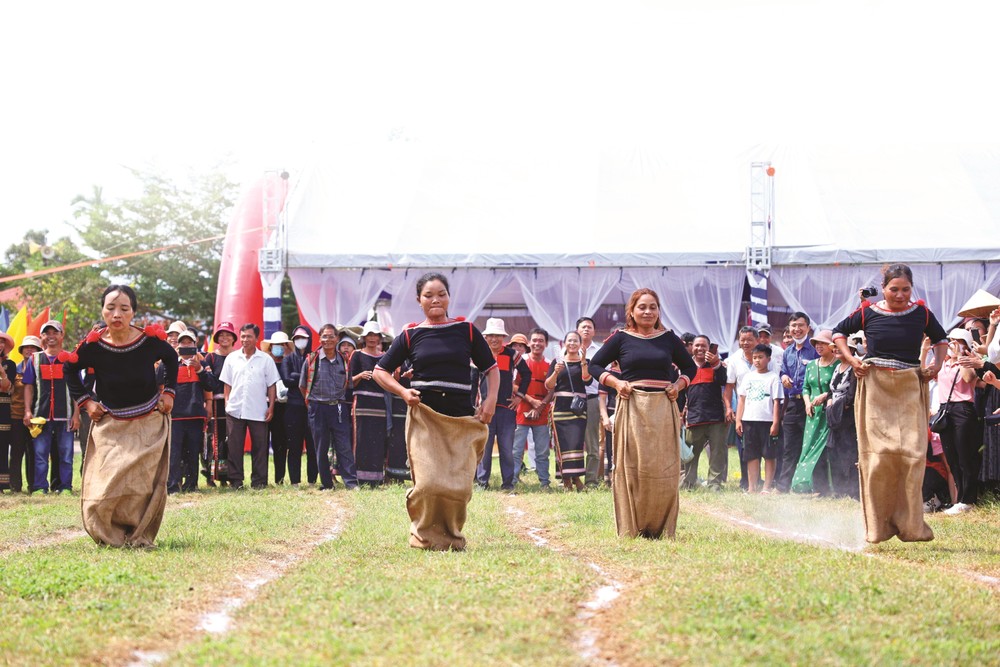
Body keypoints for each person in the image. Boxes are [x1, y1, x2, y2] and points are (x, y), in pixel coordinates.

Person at [374, 272, 498, 551]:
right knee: (429, 484)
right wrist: (404, 392)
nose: (436, 300)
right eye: (428, 295)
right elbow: (379, 371)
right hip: (425, 418)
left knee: (459, 488)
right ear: (419, 300)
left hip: (461, 419)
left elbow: (491, 368)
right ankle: (424, 537)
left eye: (441, 294)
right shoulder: (410, 334)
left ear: (449, 297)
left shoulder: (465, 330)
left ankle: (452, 537)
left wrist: (490, 401)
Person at [832, 263, 948, 543]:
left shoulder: (922, 313)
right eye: (894, 289)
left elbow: (941, 338)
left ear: (911, 289)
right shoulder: (867, 312)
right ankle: (878, 528)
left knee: (913, 454)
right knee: (878, 457)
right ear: (883, 289)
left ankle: (912, 527)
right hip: (876, 386)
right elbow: (837, 333)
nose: (900, 294)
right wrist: (851, 359)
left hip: (910, 385)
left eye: (905, 289)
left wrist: (938, 364)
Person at [64, 284, 178, 547]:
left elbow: (171, 359)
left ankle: (138, 534)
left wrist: (169, 392)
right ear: (103, 311)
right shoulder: (92, 346)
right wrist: (86, 402)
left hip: (149, 420)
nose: (117, 314)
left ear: (133, 313)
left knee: (143, 484)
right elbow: (69, 369)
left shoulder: (150, 341)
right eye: (110, 308)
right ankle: (108, 534)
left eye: (124, 308)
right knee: (106, 480)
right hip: (109, 422)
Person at [590, 288, 696, 539]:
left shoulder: (669, 338)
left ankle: (660, 526)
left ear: (659, 311)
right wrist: (616, 383)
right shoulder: (621, 338)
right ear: (632, 311)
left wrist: (678, 385)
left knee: (663, 466)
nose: (647, 311)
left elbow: (690, 367)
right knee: (632, 464)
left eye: (653, 307)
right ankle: (631, 525)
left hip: (663, 408)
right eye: (642, 307)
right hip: (632, 407)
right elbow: (594, 365)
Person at [219, 323, 280, 490]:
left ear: (256, 338)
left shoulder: (266, 359)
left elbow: (272, 385)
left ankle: (259, 482)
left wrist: (271, 406)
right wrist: (227, 403)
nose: (245, 339)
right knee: (234, 447)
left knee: (260, 448)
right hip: (235, 410)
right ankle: (236, 481)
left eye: (249, 336)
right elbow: (227, 384)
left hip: (259, 410)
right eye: (243, 336)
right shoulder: (231, 358)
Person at [22, 320, 79, 494]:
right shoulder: (34, 359)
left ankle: (65, 487)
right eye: (47, 333)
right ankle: (40, 487)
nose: (51, 336)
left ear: (62, 335)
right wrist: (27, 410)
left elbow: (77, 389)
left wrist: (77, 414)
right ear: (42, 337)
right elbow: (28, 386)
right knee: (40, 455)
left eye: (55, 332)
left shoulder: (70, 359)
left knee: (66, 455)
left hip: (66, 416)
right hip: (41, 416)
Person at [475, 318, 530, 490]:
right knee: (484, 448)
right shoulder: (479, 353)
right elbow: (471, 381)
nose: (494, 339)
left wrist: (519, 397)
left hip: (507, 409)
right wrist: (475, 405)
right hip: (484, 409)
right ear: (485, 337)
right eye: (491, 335)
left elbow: (527, 374)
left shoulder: (512, 354)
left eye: (498, 335)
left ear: (503, 337)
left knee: (507, 449)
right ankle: (482, 483)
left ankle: (508, 484)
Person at [300, 323, 358, 490]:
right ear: (320, 338)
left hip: (338, 407)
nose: (328, 340)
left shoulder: (344, 360)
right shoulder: (311, 360)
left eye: (331, 336)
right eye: (324, 336)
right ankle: (327, 484)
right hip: (317, 407)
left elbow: (349, 384)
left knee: (344, 445)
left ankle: (351, 483)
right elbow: (302, 386)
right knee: (321, 446)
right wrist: (312, 402)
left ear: (337, 339)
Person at [935, 328, 982, 515]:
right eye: (951, 341)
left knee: (965, 455)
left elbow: (968, 378)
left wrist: (961, 356)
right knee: (952, 457)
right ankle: (960, 498)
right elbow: (926, 373)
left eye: (957, 341)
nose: (952, 344)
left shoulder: (968, 361)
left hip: (963, 408)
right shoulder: (944, 363)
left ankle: (968, 499)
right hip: (945, 409)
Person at [162, 329, 214, 493]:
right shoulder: (169, 363)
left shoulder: (203, 363)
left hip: (195, 414)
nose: (185, 346)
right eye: (182, 343)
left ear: (195, 344)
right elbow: (159, 384)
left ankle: (192, 485)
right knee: (174, 453)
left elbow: (211, 385)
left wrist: (199, 370)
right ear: (178, 345)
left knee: (193, 452)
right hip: (175, 415)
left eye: (189, 343)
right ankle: (173, 486)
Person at [791, 330, 838, 494]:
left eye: (822, 343)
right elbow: (805, 388)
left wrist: (824, 396)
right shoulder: (811, 365)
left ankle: (828, 487)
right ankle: (808, 484)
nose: (818, 346)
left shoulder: (838, 364)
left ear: (831, 346)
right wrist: (806, 404)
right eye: (816, 343)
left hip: (829, 413)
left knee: (824, 451)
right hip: (812, 414)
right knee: (809, 447)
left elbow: (837, 388)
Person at [776, 312, 818, 492]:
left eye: (801, 325)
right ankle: (783, 486)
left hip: (813, 404)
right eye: (793, 326)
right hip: (793, 403)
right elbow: (783, 371)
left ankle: (819, 487)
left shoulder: (815, 348)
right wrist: (784, 376)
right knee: (789, 447)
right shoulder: (788, 352)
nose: (797, 329)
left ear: (808, 328)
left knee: (813, 444)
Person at [545, 331, 592, 492]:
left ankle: (577, 477)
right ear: (564, 343)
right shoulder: (557, 362)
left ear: (580, 344)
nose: (572, 343)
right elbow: (549, 386)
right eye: (569, 340)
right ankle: (567, 480)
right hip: (560, 408)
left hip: (578, 408)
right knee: (562, 443)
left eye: (575, 341)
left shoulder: (585, 362)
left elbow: (587, 380)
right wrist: (556, 371)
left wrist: (584, 361)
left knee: (577, 443)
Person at [681, 335, 728, 490]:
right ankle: (689, 482)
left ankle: (714, 484)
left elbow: (723, 381)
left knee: (717, 453)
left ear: (709, 348)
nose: (700, 348)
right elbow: (681, 393)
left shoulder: (717, 366)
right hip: (694, 417)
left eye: (704, 346)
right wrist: (680, 413)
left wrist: (716, 363)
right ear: (691, 347)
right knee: (690, 453)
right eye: (697, 345)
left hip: (716, 417)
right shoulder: (686, 367)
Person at [735, 343, 783, 493]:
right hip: (749, 421)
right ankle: (752, 487)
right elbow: (741, 399)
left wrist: (775, 422)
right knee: (751, 455)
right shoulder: (748, 377)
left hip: (767, 421)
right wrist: (738, 420)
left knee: (769, 455)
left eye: (760, 357)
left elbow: (776, 402)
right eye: (754, 357)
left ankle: (767, 487)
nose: (757, 360)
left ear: (768, 359)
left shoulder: (774, 378)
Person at [350, 321, 391, 486]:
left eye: (375, 335)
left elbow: (389, 380)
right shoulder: (357, 355)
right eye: (369, 335)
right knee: (360, 439)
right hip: (361, 403)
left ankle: (376, 477)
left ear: (380, 338)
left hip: (379, 403)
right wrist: (361, 375)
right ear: (364, 338)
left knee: (378, 439)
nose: (372, 338)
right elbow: (348, 382)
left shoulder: (384, 357)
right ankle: (358, 477)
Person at [724, 325, 763, 490]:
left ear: (757, 340)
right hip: (742, 409)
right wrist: (728, 408)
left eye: (749, 340)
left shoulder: (765, 357)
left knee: (761, 445)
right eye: (742, 340)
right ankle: (745, 481)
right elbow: (729, 388)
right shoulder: (733, 360)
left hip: (762, 409)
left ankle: (759, 480)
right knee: (743, 446)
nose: (745, 343)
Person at [514, 328, 554, 488]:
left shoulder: (550, 364)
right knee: (516, 450)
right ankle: (512, 480)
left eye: (541, 341)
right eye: (534, 340)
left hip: (542, 414)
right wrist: (531, 401)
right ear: (529, 343)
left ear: (546, 344)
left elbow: (552, 390)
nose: (537, 343)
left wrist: (539, 407)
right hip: (521, 411)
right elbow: (514, 386)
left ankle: (545, 482)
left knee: (543, 451)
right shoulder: (520, 361)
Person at [825, 336, 861, 499]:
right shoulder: (837, 367)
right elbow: (831, 390)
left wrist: (837, 406)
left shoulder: (853, 369)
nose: (837, 349)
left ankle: (852, 490)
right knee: (835, 451)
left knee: (849, 451)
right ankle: (838, 489)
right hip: (834, 415)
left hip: (847, 416)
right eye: (836, 347)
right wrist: (830, 402)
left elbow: (852, 395)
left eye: (841, 347)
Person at [281, 325, 317, 485]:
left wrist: (298, 377)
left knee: (313, 445)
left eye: (303, 338)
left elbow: (316, 379)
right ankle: (295, 481)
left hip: (312, 407)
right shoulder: (288, 358)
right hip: (293, 407)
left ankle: (312, 480)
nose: (300, 341)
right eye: (296, 338)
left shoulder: (315, 357)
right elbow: (287, 380)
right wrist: (304, 376)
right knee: (294, 445)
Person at [203, 321, 237, 485]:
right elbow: (207, 382)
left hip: (235, 404)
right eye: (221, 335)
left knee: (232, 439)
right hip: (217, 404)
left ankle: (230, 476)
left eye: (227, 335)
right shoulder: (210, 357)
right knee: (216, 440)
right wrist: (208, 403)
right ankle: (214, 477)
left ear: (233, 338)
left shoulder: (238, 356)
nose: (224, 338)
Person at [8, 335, 41, 492]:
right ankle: (15, 486)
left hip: (38, 417)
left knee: (33, 453)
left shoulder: (41, 369)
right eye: (26, 347)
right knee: (16, 452)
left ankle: (33, 486)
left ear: (38, 351)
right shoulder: (15, 370)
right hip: (17, 416)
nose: (29, 349)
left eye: (33, 347)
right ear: (21, 351)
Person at [576, 317, 603, 488]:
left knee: (592, 441)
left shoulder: (600, 352)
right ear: (577, 330)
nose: (586, 329)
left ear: (594, 331)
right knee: (573, 441)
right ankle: (573, 478)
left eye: (589, 327)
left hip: (592, 400)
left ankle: (591, 480)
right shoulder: (568, 350)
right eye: (583, 327)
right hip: (571, 400)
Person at [262, 331, 291, 484]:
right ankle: (262, 478)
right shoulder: (264, 362)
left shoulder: (290, 363)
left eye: (282, 345)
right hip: (264, 406)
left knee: (281, 444)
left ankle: (279, 478)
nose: (279, 348)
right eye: (276, 345)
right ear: (271, 346)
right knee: (262, 443)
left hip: (284, 407)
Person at [0, 332, 15, 491]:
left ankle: (2, 484)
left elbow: (7, 387)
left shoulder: (9, 365)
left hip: (3, 409)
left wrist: (1, 371)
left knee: (2, 445)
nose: (0, 345)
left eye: (2, 342)